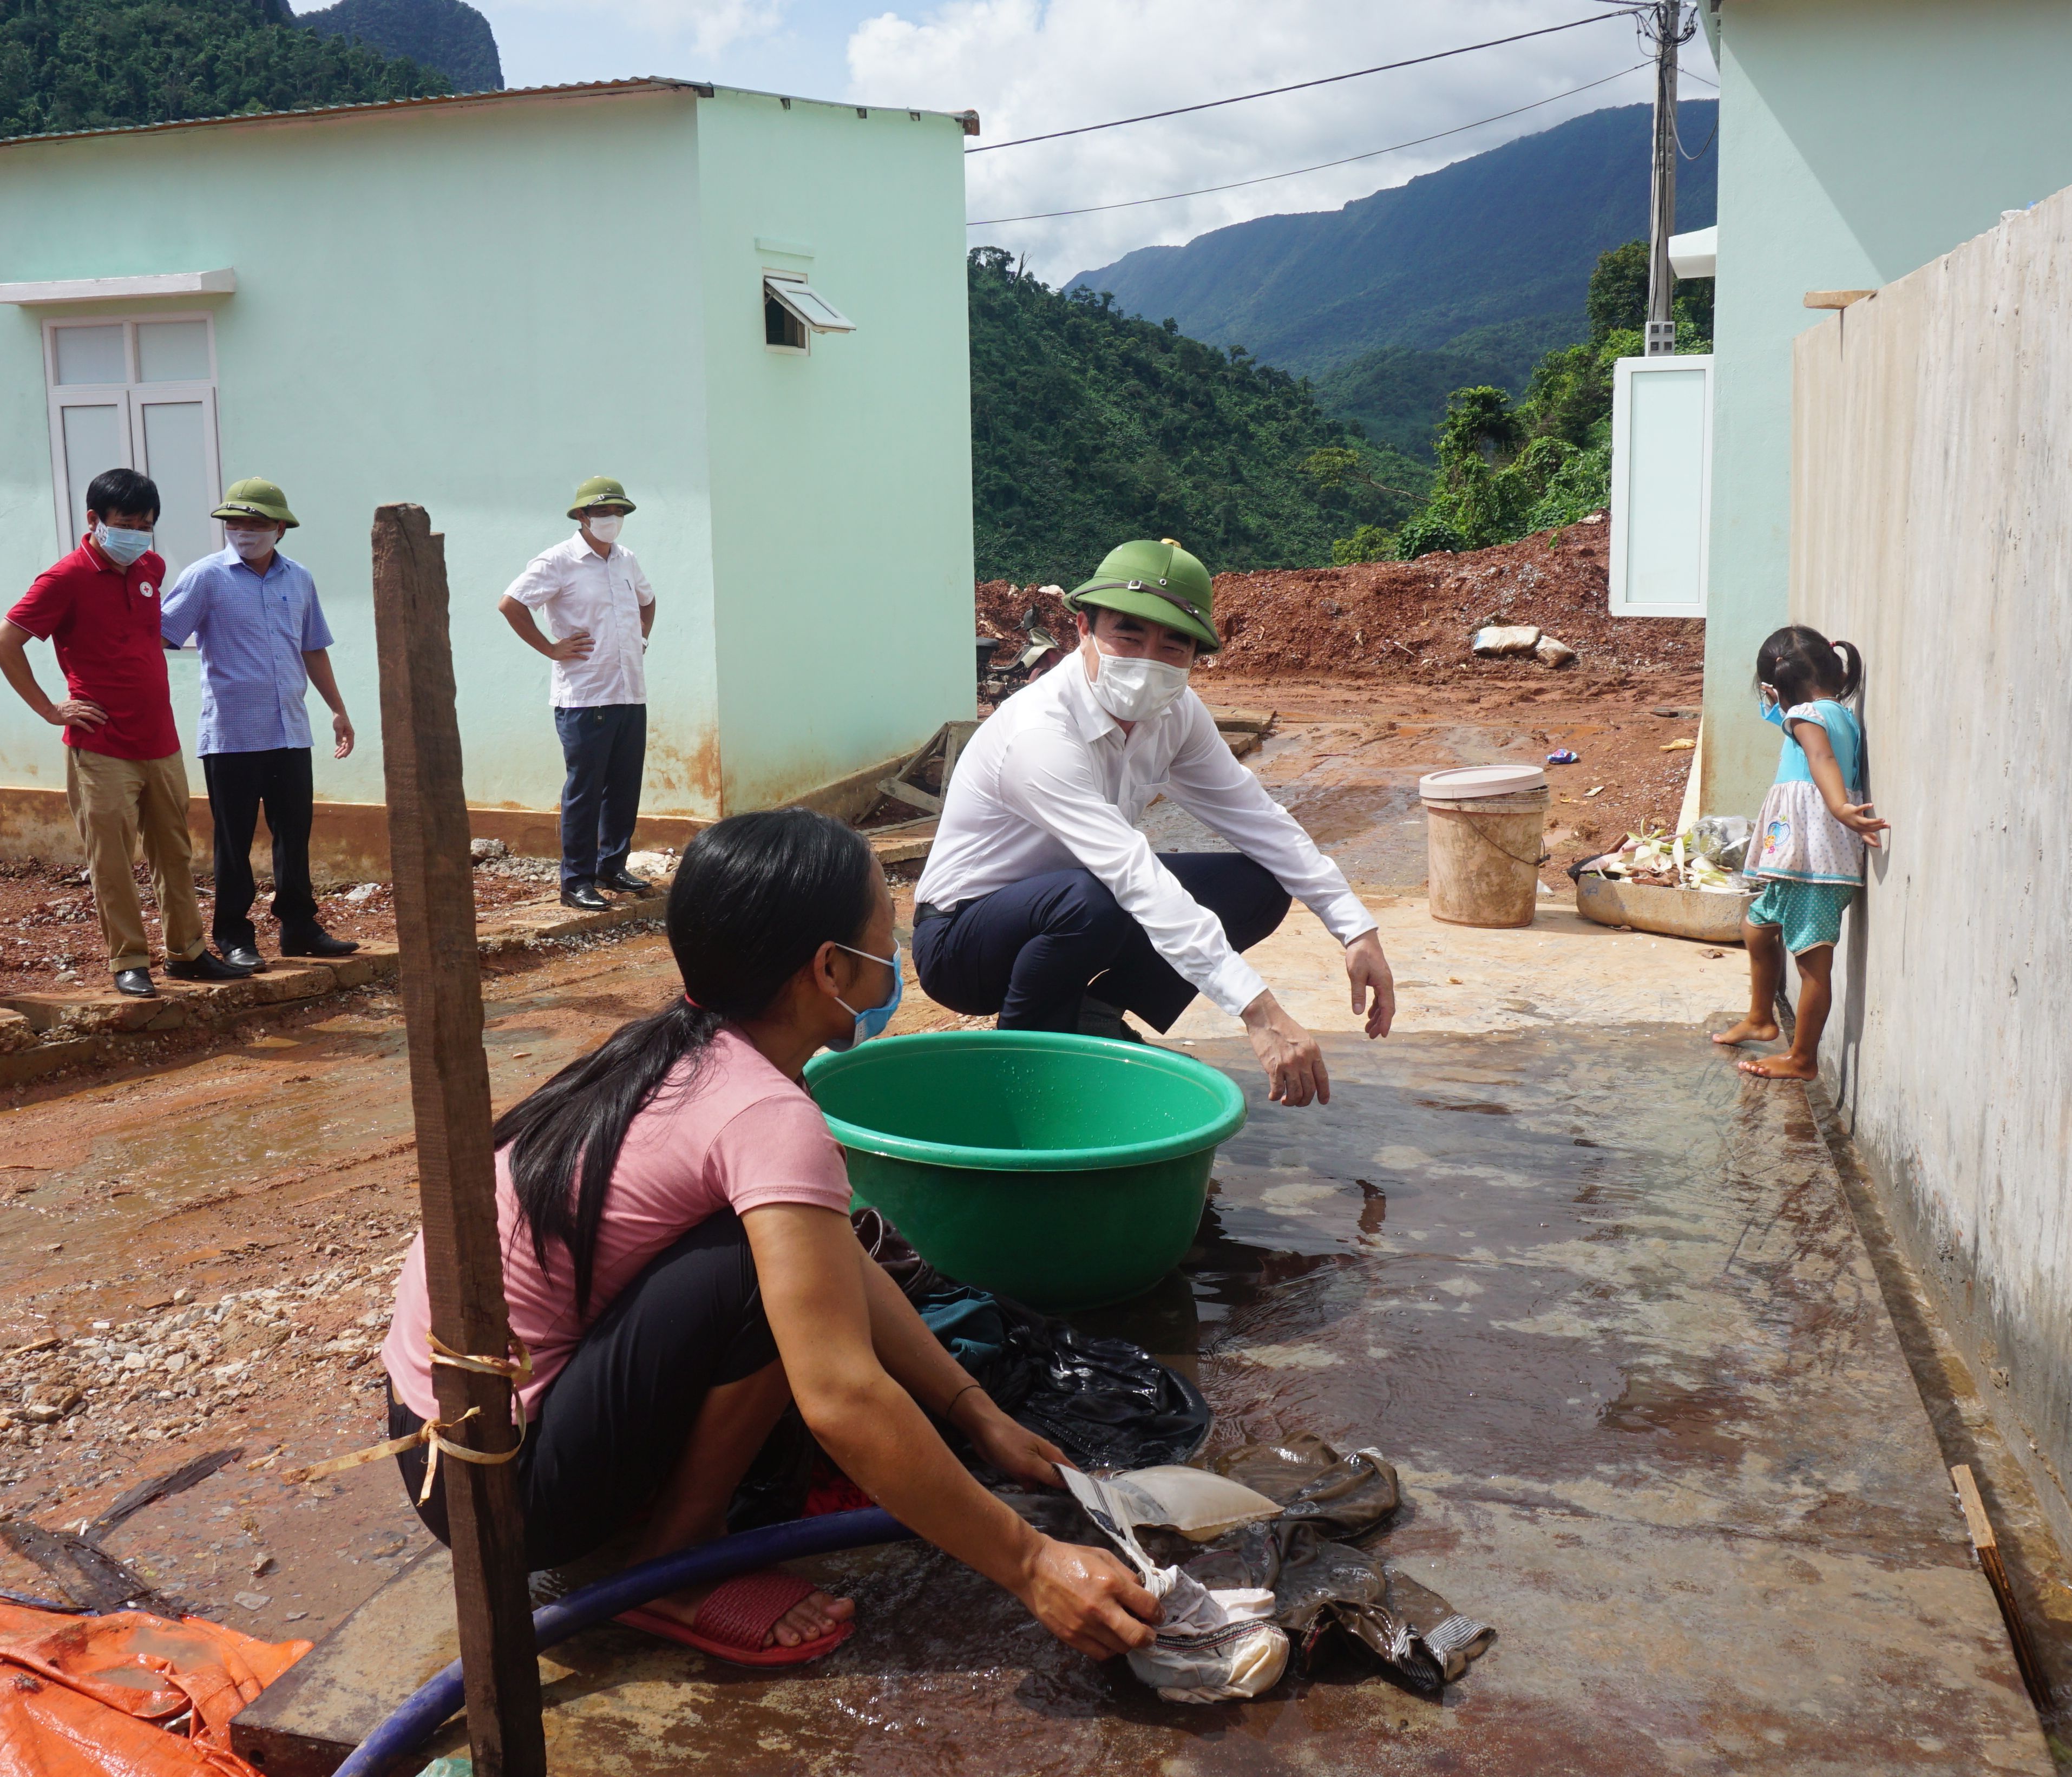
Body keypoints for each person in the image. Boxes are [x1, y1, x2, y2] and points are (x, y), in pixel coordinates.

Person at [379, 809, 1158, 1666]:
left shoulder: (676, 1045)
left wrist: (972, 1414)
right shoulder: (765, 1111)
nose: (894, 958)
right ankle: (675, 1565)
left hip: (439, 1439)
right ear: (828, 969)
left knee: (788, 1257)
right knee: (757, 1273)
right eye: (882, 937)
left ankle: (658, 1514)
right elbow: (840, 1394)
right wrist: (1032, 1560)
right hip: (503, 1493)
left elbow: (839, 1268)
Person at [914, 539, 1396, 1107]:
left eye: (1173, 645)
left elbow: (1256, 817)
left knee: (1259, 886)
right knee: (1092, 899)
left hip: (1081, 904)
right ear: (1083, 628)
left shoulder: (1175, 714)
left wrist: (1355, 927)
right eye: (1129, 636)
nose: (1148, 660)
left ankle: (1092, 1018)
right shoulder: (1040, 735)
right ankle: (1025, 1078)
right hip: (963, 940)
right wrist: (1258, 1011)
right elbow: (1131, 872)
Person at [0, 469, 251, 999]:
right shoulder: (63, 579)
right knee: (113, 858)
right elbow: (3, 642)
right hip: (102, 744)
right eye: (125, 523)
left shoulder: (150, 567)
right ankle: (129, 961)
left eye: (146, 524)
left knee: (174, 851)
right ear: (94, 520)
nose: (136, 533)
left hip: (161, 739)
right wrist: (49, 709)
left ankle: (188, 953)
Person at [159, 478, 360, 972]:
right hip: (232, 733)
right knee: (235, 839)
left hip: (290, 727)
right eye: (235, 524)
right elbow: (160, 635)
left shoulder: (299, 579)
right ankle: (233, 935)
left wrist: (337, 708)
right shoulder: (206, 577)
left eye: (256, 524)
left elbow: (313, 646)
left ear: (280, 529)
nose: (244, 532)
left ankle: (300, 927)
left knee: (295, 833)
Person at [1713, 626, 1889, 1080]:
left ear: (1781, 686)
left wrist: (1838, 806)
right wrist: (1780, 702)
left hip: (1815, 858)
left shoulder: (1808, 718)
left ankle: (1802, 1058)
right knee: (1757, 929)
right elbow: (1803, 734)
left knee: (1812, 961)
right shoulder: (1834, 711)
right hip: (1800, 858)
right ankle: (1760, 1017)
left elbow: (1821, 759)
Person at [497, 476, 656, 913]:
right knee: (585, 790)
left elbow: (648, 599)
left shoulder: (626, 560)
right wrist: (550, 648)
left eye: (618, 512)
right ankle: (576, 881)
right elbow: (511, 603)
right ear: (582, 516)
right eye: (602, 512)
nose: (612, 520)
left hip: (629, 692)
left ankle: (612, 867)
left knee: (624, 787)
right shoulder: (559, 561)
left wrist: (641, 638)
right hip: (585, 697)